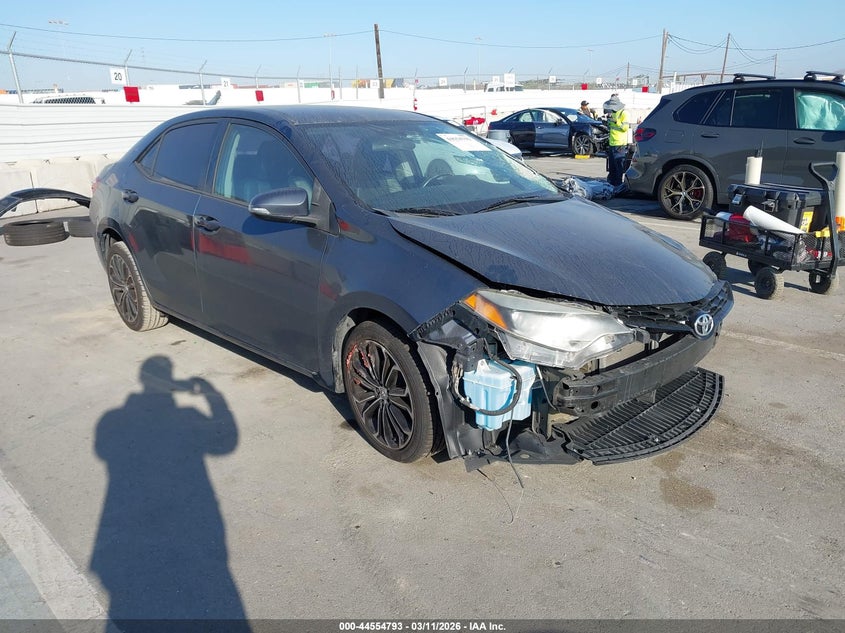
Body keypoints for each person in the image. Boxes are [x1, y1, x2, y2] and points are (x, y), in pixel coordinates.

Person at [604, 94, 629, 188]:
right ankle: (612, 183)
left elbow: (625, 128)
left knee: (619, 166)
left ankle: (618, 184)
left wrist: (616, 122)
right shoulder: (613, 114)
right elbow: (611, 127)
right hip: (612, 143)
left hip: (620, 144)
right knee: (612, 166)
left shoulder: (624, 113)